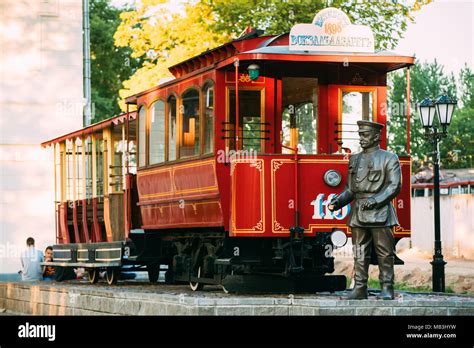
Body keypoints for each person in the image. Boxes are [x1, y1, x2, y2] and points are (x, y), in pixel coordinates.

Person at [328, 120, 401, 300]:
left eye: (365, 135)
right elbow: (351, 189)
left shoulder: (389, 158)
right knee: (359, 252)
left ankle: (387, 288)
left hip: (380, 213)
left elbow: (394, 186)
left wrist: (375, 201)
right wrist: (337, 202)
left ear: (376, 137)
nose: (361, 138)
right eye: (360, 134)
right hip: (358, 213)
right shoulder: (355, 159)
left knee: (385, 253)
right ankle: (360, 288)